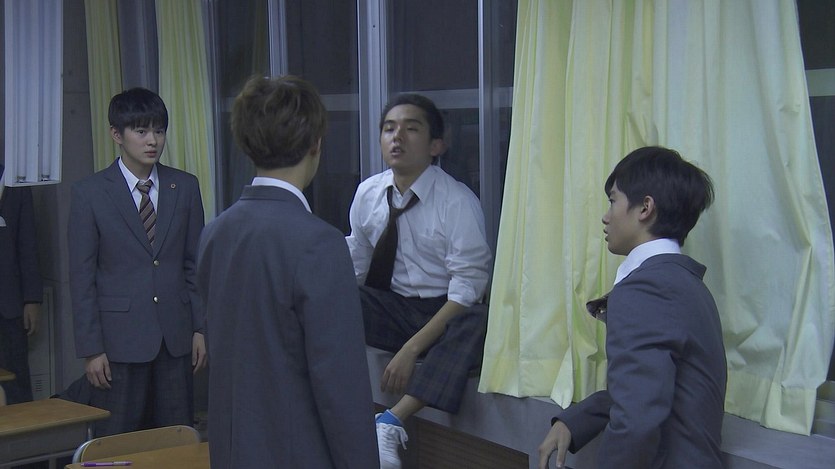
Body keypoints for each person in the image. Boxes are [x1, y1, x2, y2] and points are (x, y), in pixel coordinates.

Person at [196, 75, 379, 469]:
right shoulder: (319, 243)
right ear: (316, 144)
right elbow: (340, 386)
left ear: (245, 143)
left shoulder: (215, 233)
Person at [537, 146, 727, 469]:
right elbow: (649, 390)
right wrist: (574, 421)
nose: (605, 216)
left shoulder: (645, 289)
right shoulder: (685, 283)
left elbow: (636, 421)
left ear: (645, 208)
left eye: (613, 201)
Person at [346, 93, 493, 468]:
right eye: (389, 129)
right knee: (334, 297)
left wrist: (411, 350)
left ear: (436, 145)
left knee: (481, 320)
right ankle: (326, 409)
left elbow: (467, 290)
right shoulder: (368, 193)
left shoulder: (456, 201)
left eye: (411, 129)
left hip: (445, 314)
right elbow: (356, 266)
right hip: (393, 308)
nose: (397, 137)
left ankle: (391, 421)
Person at [68, 88, 207, 436]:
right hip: (118, 343)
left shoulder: (184, 187)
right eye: (141, 131)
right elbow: (82, 278)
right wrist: (91, 350)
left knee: (176, 438)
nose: (152, 141)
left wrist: (200, 328)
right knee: (119, 441)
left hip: (175, 338)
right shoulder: (90, 193)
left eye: (159, 131)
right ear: (117, 134)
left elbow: (195, 265)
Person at [0, 164, 43, 406]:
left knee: (15, 380)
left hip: (9, 302)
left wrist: (32, 299)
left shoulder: (14, 180)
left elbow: (28, 243)